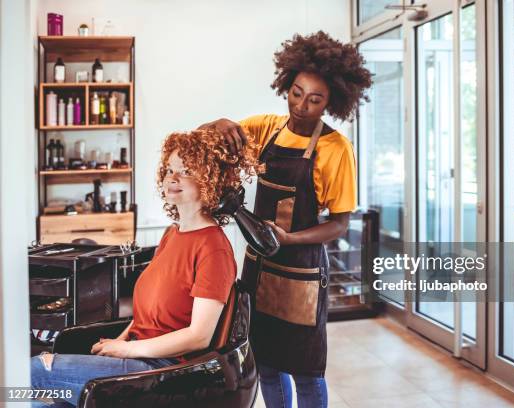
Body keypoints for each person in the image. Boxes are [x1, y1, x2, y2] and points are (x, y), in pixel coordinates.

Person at [200, 31, 372, 408]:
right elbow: (202, 141)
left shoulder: (336, 149)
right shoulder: (266, 129)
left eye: (315, 99)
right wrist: (218, 122)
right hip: (259, 269)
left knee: (305, 370)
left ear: (332, 102)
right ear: (287, 84)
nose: (301, 106)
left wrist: (289, 239)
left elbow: (340, 223)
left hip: (302, 276)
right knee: (267, 364)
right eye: (296, 92)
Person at [30, 127, 261, 407]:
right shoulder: (172, 234)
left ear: (209, 180)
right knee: (44, 400)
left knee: (35, 372)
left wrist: (127, 349)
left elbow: (199, 336)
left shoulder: (214, 248)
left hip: (163, 372)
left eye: (185, 171)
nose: (172, 178)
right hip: (139, 355)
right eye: (169, 170)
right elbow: (147, 315)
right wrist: (118, 342)